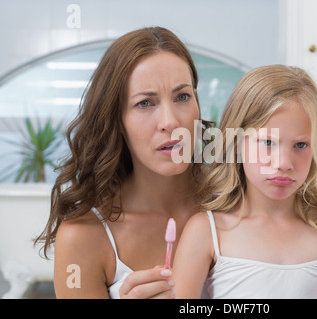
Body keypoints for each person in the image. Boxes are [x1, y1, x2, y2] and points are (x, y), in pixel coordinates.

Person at [172, 65, 317, 298]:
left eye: (300, 145)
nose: (284, 163)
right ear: (236, 143)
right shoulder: (207, 230)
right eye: (268, 143)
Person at [35, 26, 214, 298]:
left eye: (182, 97)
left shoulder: (238, 200)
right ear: (116, 120)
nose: (170, 121)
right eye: (145, 103)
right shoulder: (83, 237)